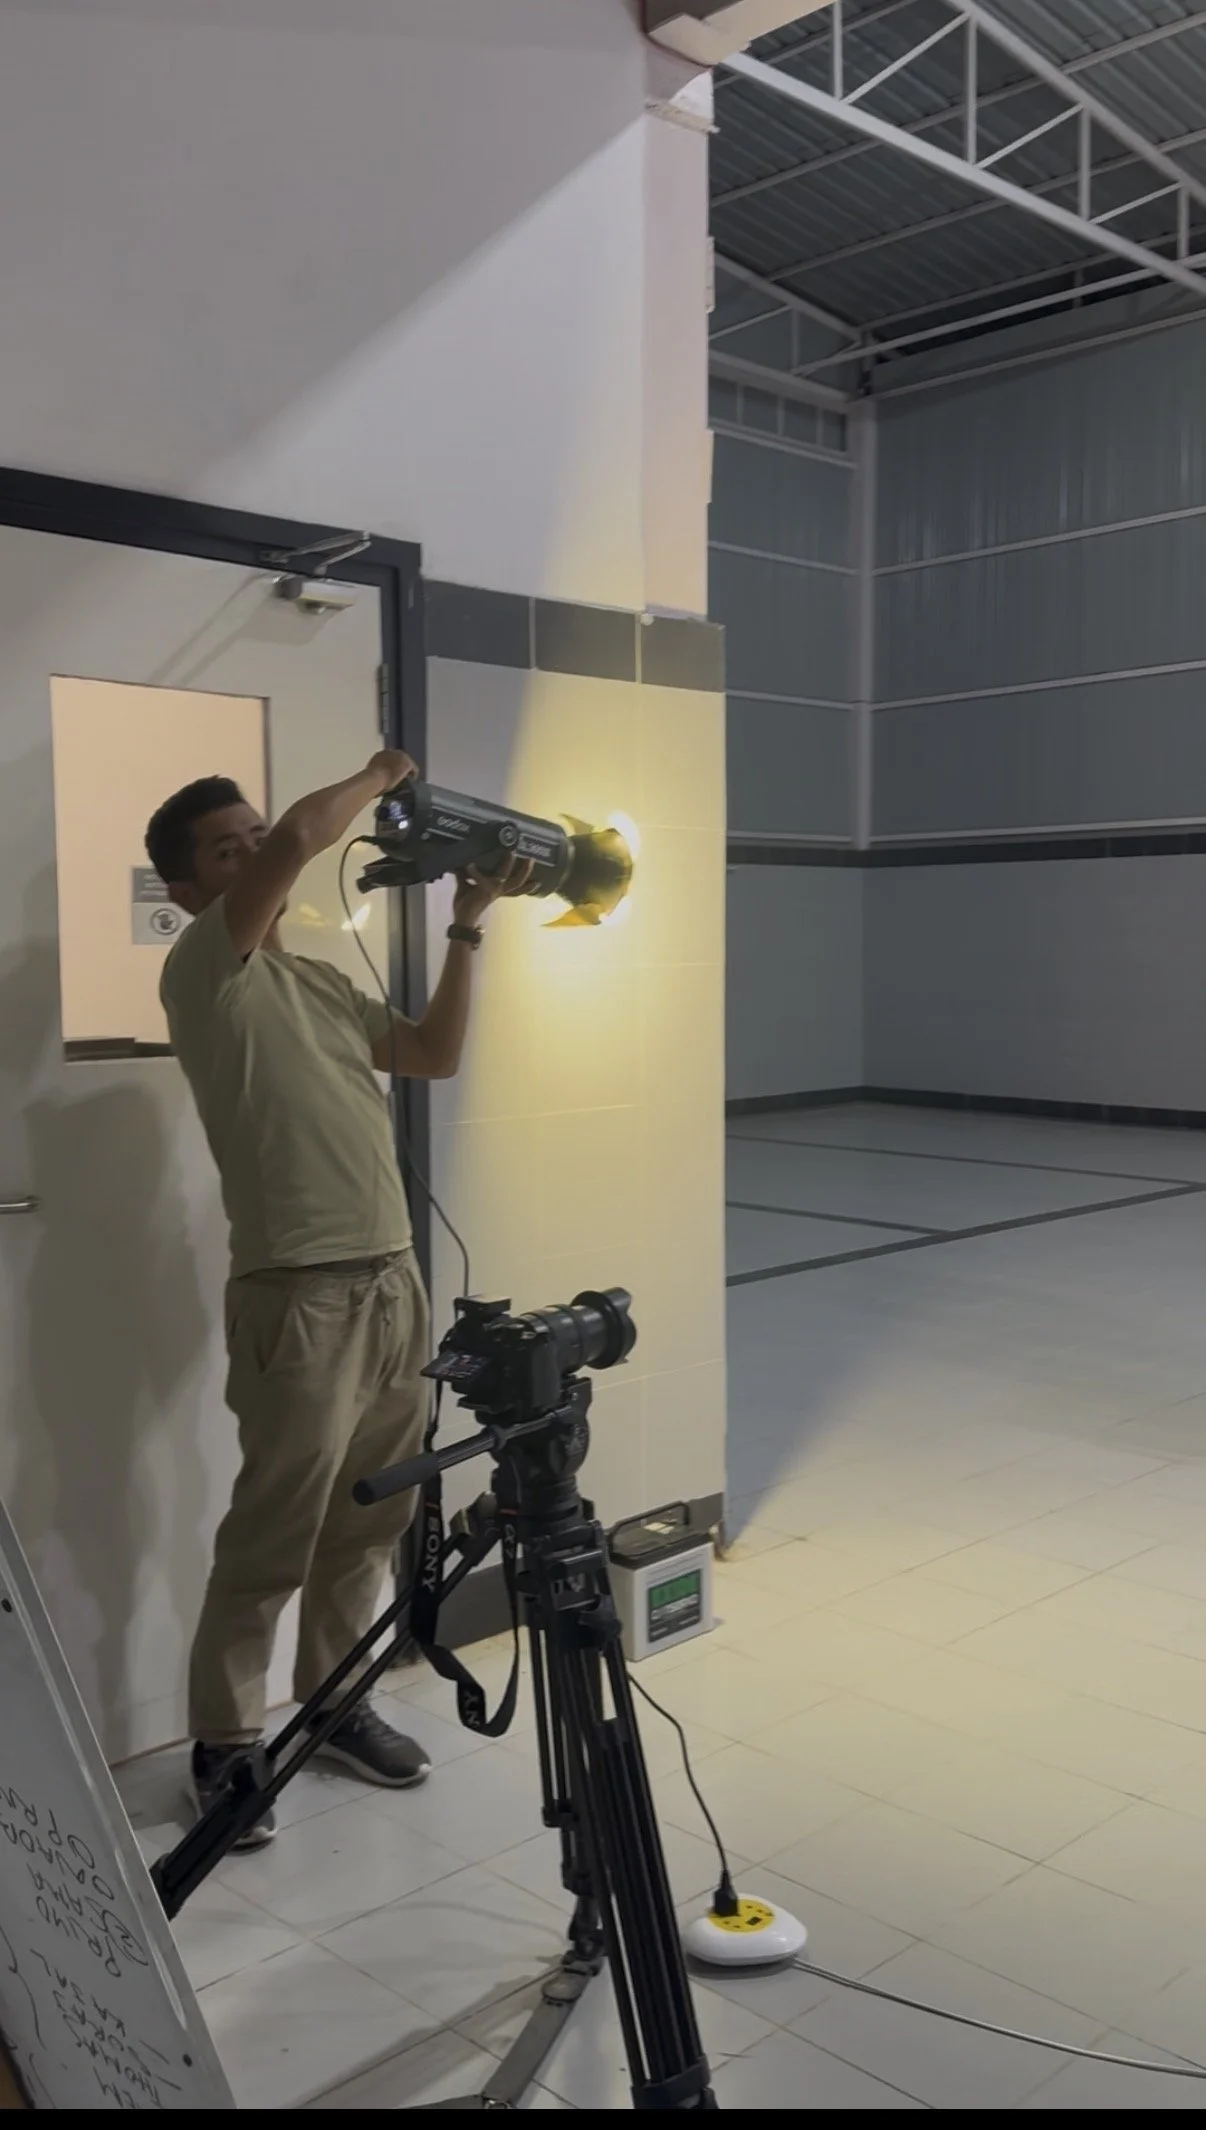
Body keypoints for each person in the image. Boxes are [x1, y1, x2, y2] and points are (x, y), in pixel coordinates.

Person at [145, 750, 526, 1848]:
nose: (261, 848)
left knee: (369, 1522)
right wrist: (383, 770)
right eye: (233, 847)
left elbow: (434, 1055)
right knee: (273, 1534)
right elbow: (311, 833)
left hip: (392, 1279)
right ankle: (223, 1748)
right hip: (297, 1297)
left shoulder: (315, 978)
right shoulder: (204, 971)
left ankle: (333, 1702)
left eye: (256, 833)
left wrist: (466, 925)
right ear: (187, 892)